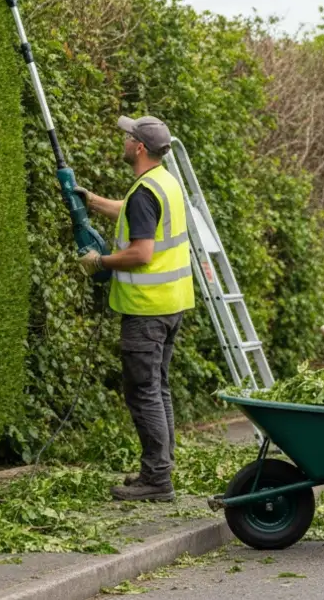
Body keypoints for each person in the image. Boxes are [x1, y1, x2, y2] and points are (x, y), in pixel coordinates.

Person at [76, 115, 195, 502]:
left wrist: (100, 262)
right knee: (157, 388)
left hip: (146, 309)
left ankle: (158, 480)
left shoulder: (145, 192)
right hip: (170, 304)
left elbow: (141, 252)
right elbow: (133, 215)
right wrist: (91, 202)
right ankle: (159, 468)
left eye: (128, 137)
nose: (124, 140)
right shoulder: (163, 183)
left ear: (139, 147)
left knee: (144, 392)